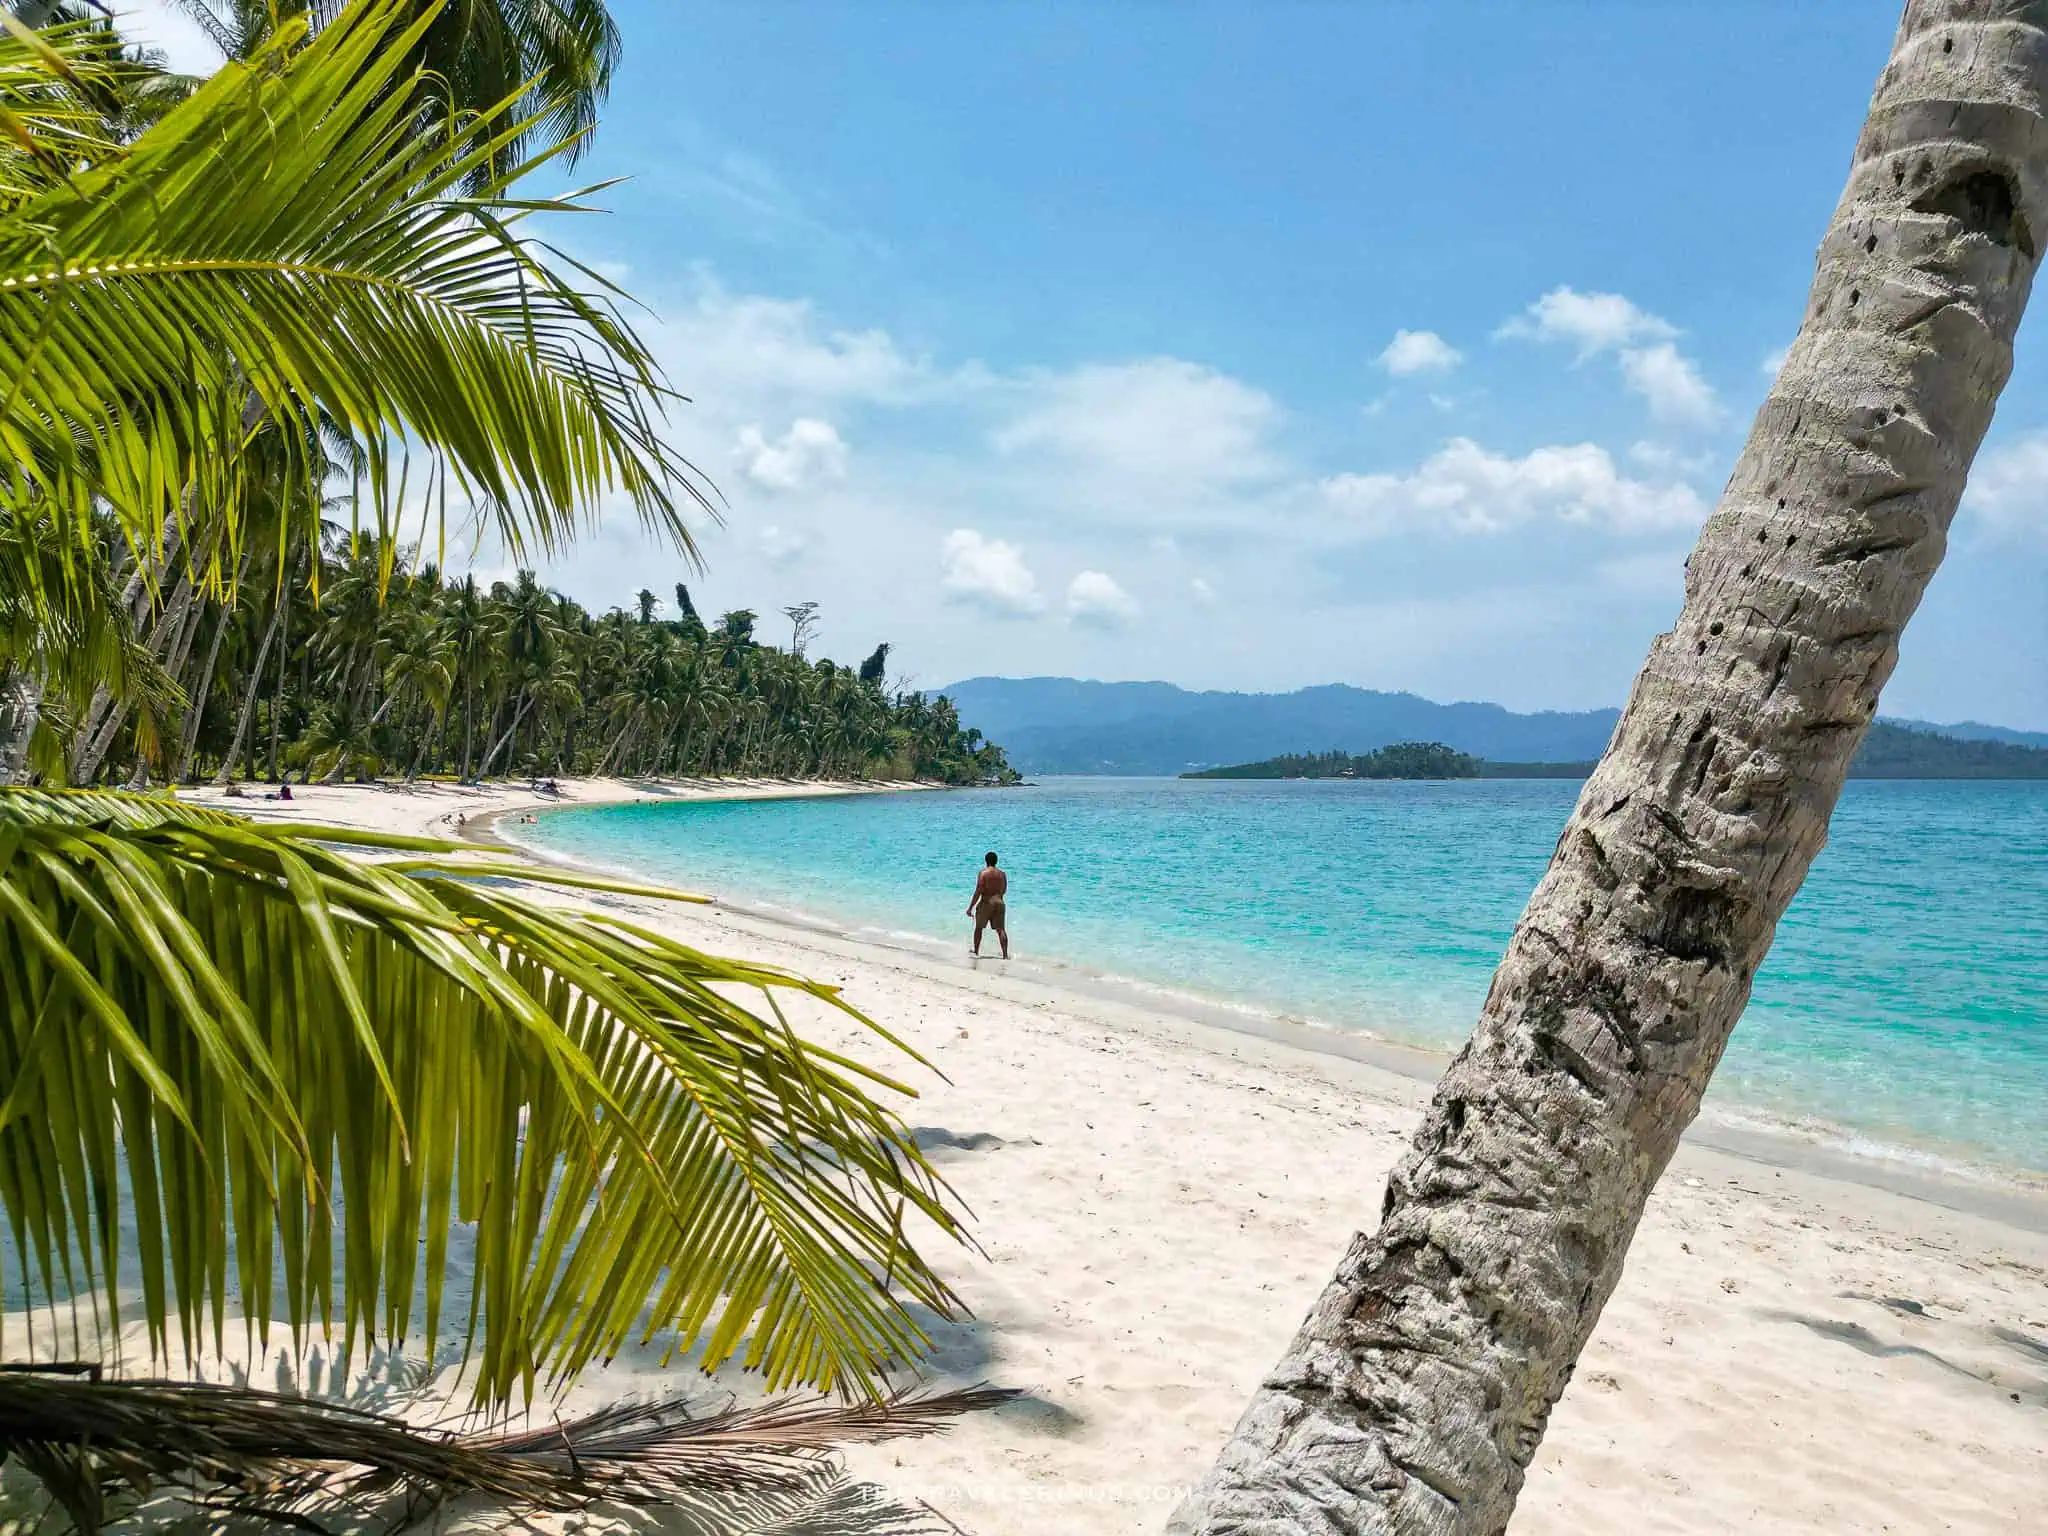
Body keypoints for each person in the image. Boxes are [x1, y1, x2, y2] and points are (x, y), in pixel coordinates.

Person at [967, 850, 1009, 960]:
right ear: (996, 861)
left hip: (986, 902)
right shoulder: (1002, 874)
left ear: (986, 861)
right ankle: (1005, 955)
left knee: (979, 928)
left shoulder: (983, 873)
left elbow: (978, 890)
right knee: (1001, 929)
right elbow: (1004, 890)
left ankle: (976, 951)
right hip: (1000, 902)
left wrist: (970, 907)